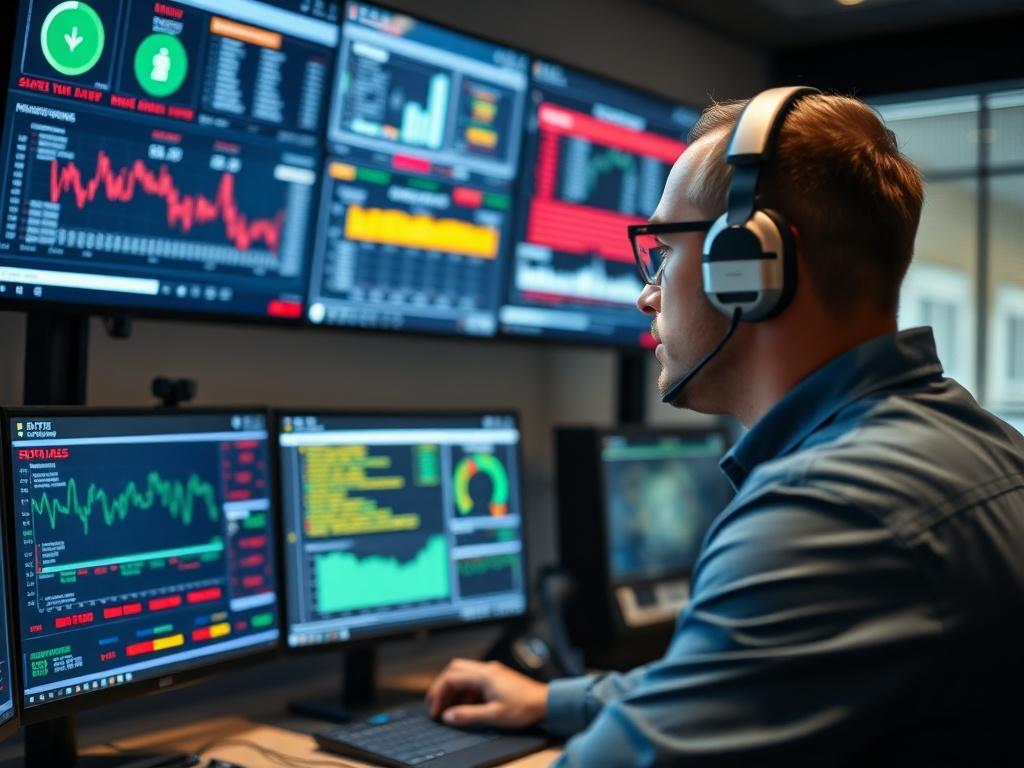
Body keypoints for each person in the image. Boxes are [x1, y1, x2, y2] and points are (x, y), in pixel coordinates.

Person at [425, 89, 1024, 766]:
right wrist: (558, 701)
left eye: (663, 250)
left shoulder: (828, 510)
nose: (646, 293)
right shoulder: (983, 442)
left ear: (750, 266)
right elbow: (754, 674)